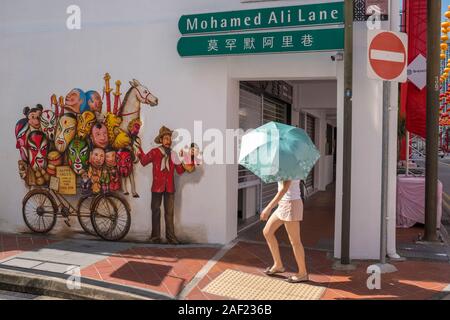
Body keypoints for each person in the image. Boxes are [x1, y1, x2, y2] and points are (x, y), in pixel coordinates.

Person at [136, 126, 185, 244]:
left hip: (170, 188)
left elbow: (180, 170)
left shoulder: (174, 155)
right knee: (155, 211)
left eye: (169, 138)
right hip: (157, 187)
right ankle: (155, 236)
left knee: (169, 213)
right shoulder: (155, 152)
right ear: (161, 140)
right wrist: (139, 151)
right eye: (166, 138)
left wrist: (185, 159)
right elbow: (143, 161)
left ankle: (171, 237)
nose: (168, 141)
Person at [260, 179, 308, 283]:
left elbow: (284, 189)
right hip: (283, 205)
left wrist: (268, 208)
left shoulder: (289, 166)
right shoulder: (285, 166)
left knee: (295, 241)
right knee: (267, 232)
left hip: (291, 204)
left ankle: (303, 273)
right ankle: (278, 265)